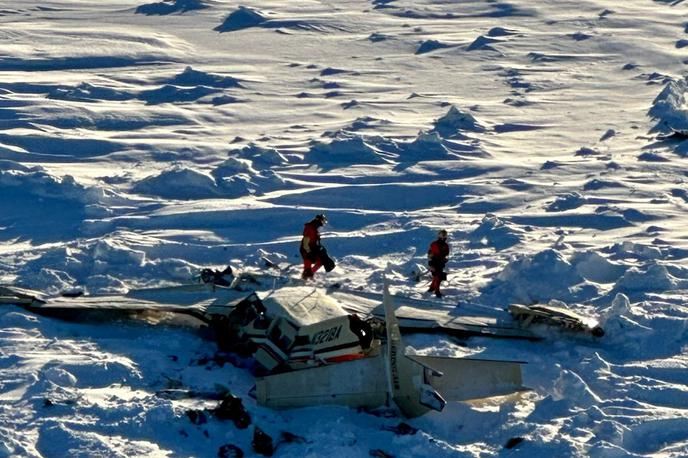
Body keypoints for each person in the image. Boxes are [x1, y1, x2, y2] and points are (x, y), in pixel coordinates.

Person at [300, 214, 327, 279]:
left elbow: (316, 240)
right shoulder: (310, 228)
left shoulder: (315, 228)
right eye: (323, 221)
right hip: (306, 250)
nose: (323, 224)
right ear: (319, 221)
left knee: (321, 261)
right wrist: (308, 251)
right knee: (307, 268)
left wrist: (320, 247)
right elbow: (306, 241)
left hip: (313, 248)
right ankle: (306, 278)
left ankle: (309, 275)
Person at [427, 229, 450, 298]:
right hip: (434, 262)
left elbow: (446, 253)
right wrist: (431, 263)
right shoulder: (435, 244)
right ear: (440, 236)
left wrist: (444, 259)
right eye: (443, 235)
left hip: (440, 262)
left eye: (445, 235)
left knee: (437, 276)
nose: (445, 237)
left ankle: (432, 288)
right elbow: (430, 253)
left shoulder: (445, 245)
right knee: (437, 276)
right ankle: (436, 290)